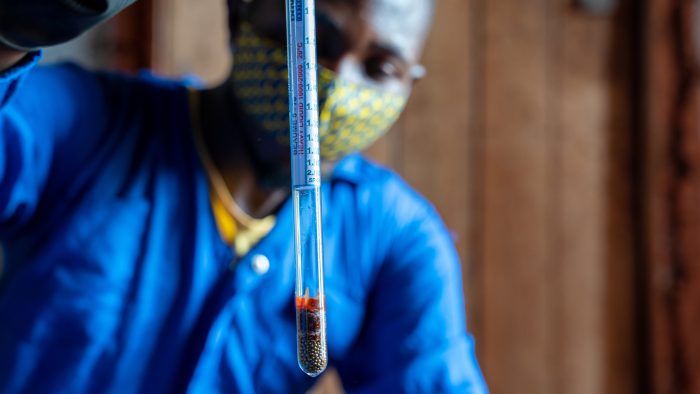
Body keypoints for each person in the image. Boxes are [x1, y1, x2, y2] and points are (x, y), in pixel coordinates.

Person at [0, 0, 488, 392]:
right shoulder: (85, 126)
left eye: (380, 69)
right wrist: (11, 33)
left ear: (408, 85)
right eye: (313, 38)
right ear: (240, 14)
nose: (335, 87)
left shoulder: (389, 240)